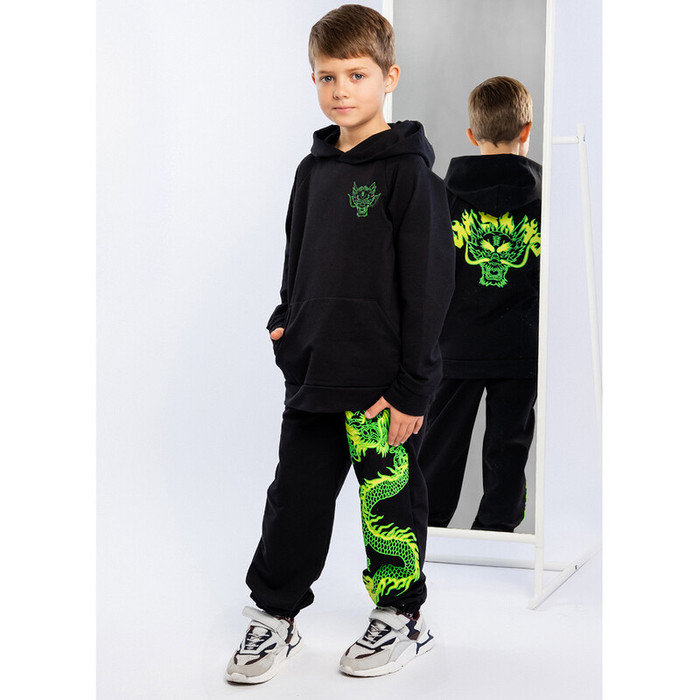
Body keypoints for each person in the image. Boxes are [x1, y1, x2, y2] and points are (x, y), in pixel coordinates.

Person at [224, 4, 454, 684]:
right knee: (294, 501)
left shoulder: (410, 176)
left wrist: (414, 388)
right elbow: (298, 261)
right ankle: (275, 615)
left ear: (389, 77)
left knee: (388, 508)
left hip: (383, 387)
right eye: (327, 77)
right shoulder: (312, 170)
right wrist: (286, 323)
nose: (341, 90)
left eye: (356, 75)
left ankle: (402, 616)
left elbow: (430, 289)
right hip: (315, 372)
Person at [418, 76, 542, 532]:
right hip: (520, 349)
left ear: (472, 135)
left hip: (455, 346)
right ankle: (496, 533)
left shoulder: (443, 195)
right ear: (527, 130)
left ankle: (427, 535)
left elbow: (431, 272)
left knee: (440, 446)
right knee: (509, 449)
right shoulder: (548, 197)